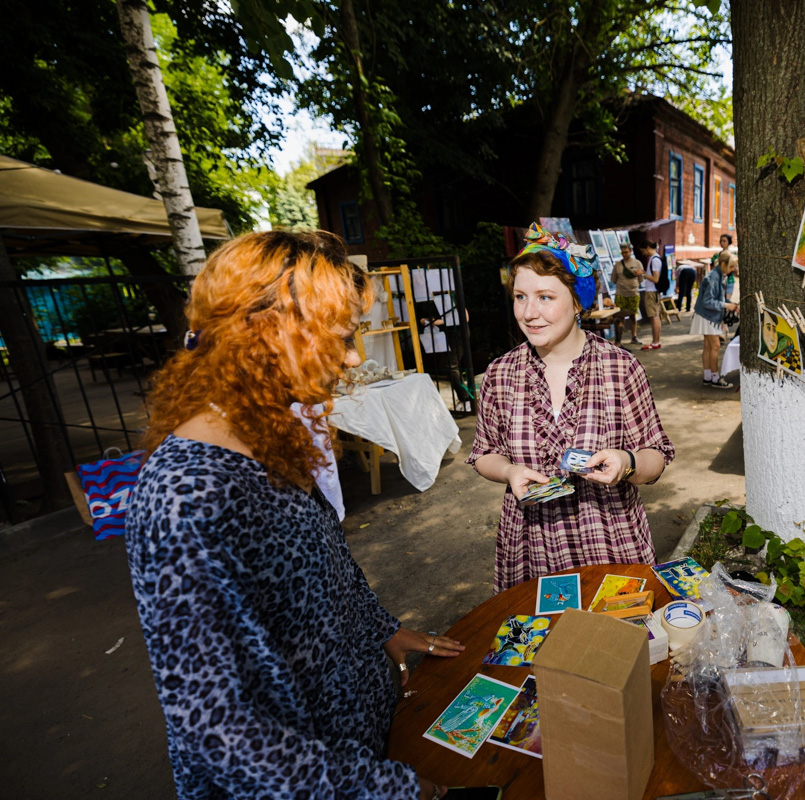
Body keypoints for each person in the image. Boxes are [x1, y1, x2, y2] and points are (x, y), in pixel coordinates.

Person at [125, 231, 464, 800]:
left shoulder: (269, 432)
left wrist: (381, 629)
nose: (353, 357)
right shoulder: (186, 498)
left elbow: (324, 561)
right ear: (266, 333)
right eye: (342, 337)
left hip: (357, 739)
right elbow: (223, 734)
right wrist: (397, 792)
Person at [469, 223, 675, 592]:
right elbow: (485, 453)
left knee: (616, 629)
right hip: (531, 545)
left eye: (545, 297)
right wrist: (509, 471)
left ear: (578, 301)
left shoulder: (620, 368)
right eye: (520, 296)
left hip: (608, 543)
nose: (529, 312)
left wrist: (627, 463)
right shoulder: (500, 374)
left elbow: (656, 456)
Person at [692, 251, 740, 388]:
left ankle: (708, 376)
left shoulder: (718, 275)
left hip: (706, 315)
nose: (733, 269)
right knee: (715, 346)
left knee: (708, 346)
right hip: (708, 316)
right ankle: (715, 378)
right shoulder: (714, 277)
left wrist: (730, 304)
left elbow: (717, 298)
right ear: (723, 264)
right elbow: (708, 301)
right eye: (731, 266)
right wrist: (726, 305)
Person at [610, 242, 643, 345]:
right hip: (621, 294)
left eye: (626, 252)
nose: (624, 254)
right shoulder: (618, 265)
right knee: (620, 316)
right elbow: (613, 279)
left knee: (633, 315)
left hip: (634, 293)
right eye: (623, 252)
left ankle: (634, 336)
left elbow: (641, 279)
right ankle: (619, 339)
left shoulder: (637, 263)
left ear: (630, 251)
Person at [635, 240, 664, 350]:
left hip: (652, 291)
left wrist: (643, 274)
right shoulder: (655, 258)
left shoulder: (654, 260)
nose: (643, 253)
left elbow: (655, 279)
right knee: (655, 316)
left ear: (647, 247)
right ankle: (657, 341)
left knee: (653, 317)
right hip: (653, 291)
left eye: (643, 251)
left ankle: (655, 342)